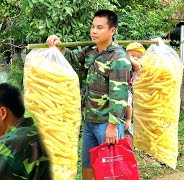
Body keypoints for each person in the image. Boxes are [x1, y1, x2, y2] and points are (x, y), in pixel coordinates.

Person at [46, 10, 131, 180]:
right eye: (93, 26)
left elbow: (119, 96)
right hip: (91, 121)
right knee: (88, 166)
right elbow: (70, 59)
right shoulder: (91, 51)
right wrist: (57, 46)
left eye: (100, 28)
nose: (94, 31)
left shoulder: (118, 58)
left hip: (107, 124)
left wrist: (113, 127)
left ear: (112, 31)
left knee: (109, 170)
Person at [125, 42, 146, 132]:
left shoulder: (138, 65)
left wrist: (128, 57)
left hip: (127, 89)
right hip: (120, 86)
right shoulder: (124, 63)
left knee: (128, 104)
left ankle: (128, 119)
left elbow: (136, 65)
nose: (135, 58)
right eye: (132, 55)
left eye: (139, 57)